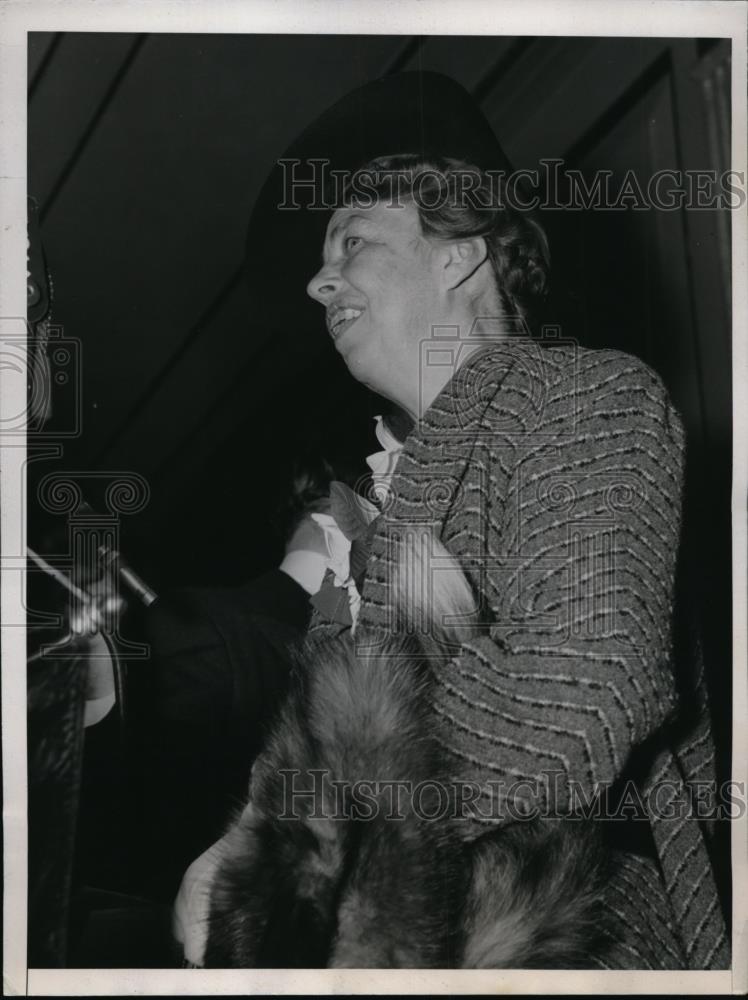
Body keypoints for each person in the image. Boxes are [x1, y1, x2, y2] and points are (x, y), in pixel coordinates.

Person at [295, 153, 728, 969]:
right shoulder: (380, 509)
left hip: (577, 940)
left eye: (351, 242)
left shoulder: (585, 393)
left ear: (461, 254)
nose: (321, 283)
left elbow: (585, 687)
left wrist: (300, 844)